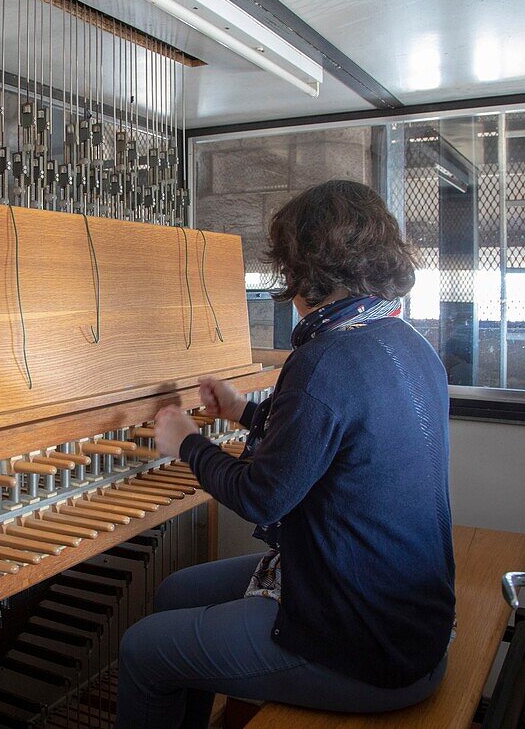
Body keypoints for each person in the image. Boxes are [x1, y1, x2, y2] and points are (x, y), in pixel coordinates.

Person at [114, 180, 456, 728]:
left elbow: (263, 496)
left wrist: (187, 443)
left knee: (141, 649)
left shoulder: (325, 359)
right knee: (176, 592)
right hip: (408, 618)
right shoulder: (404, 342)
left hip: (363, 644)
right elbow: (332, 443)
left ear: (303, 268)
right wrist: (240, 411)